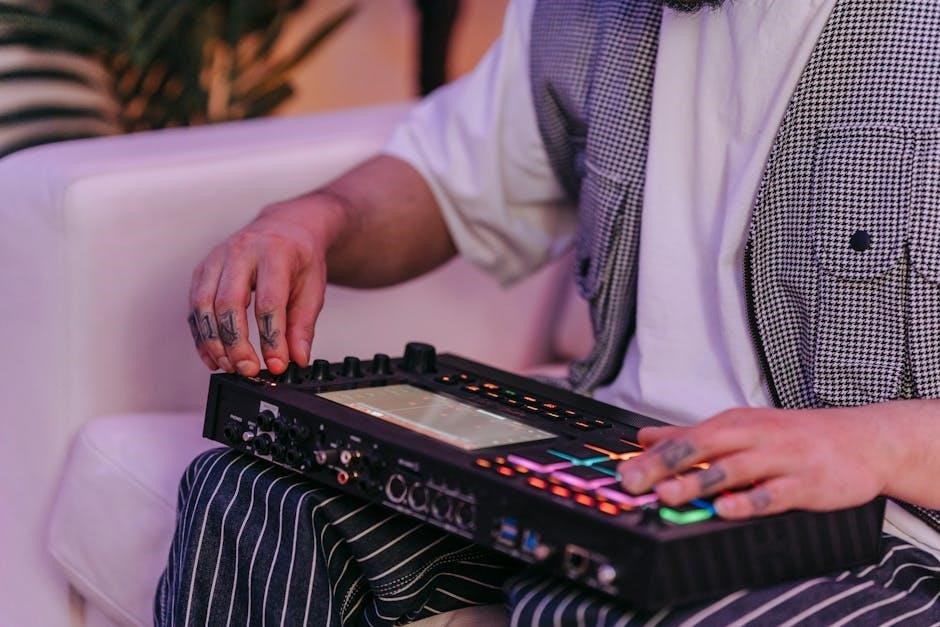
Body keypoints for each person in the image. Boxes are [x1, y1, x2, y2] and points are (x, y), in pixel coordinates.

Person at [161, 0, 940, 624]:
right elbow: (449, 180)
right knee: (250, 494)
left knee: (601, 608)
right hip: (617, 454)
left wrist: (876, 443)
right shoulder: (580, 13)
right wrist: (314, 220)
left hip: (885, 521)